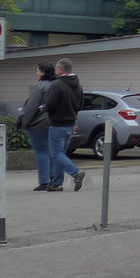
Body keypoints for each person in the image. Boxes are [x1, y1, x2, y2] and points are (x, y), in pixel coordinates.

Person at [42, 57, 86, 192]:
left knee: (56, 154)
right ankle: (57, 183)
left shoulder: (57, 85)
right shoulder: (78, 86)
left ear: (60, 69)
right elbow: (80, 105)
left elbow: (50, 103)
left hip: (57, 124)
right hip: (71, 124)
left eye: (56, 68)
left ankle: (76, 172)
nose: (55, 70)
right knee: (62, 154)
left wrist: (43, 108)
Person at [19, 62, 56, 191]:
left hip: (38, 123)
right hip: (54, 121)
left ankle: (44, 180)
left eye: (38, 71)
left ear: (43, 73)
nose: (36, 73)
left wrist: (24, 122)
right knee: (51, 150)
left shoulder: (39, 87)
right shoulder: (56, 86)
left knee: (41, 150)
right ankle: (53, 177)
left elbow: (31, 107)